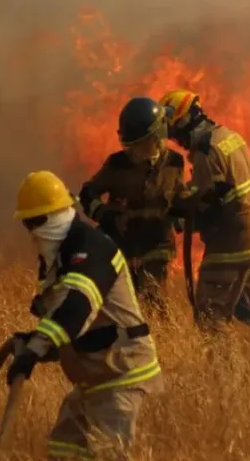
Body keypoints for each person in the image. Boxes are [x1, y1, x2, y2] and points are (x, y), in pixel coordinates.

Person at [7, 169, 164, 461]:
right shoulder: (59, 258)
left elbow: (76, 310)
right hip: (93, 381)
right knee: (64, 454)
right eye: (27, 224)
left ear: (53, 216)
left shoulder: (91, 248)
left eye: (34, 222)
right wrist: (32, 344)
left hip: (123, 378)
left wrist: (35, 349)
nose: (31, 233)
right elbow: (67, 327)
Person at [158, 89, 250, 333]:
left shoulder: (206, 151)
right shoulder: (229, 136)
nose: (176, 140)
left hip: (231, 243)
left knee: (209, 315)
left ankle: (223, 360)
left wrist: (176, 221)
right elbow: (220, 188)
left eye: (174, 132)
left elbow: (212, 207)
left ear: (185, 121)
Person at [76, 97, 186, 319]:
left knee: (156, 310)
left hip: (157, 249)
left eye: (138, 144)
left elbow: (179, 198)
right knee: (119, 310)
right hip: (122, 249)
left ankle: (159, 341)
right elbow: (87, 194)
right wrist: (103, 215)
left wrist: (183, 214)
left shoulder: (175, 163)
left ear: (156, 138)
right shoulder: (117, 164)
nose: (133, 151)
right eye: (130, 145)